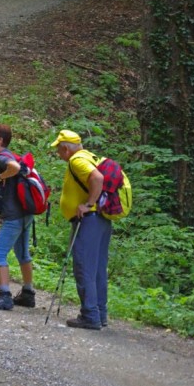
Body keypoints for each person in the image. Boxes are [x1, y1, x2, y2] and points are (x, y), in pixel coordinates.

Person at [52, 129, 110, 330]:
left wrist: (88, 204)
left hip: (88, 220)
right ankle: (99, 313)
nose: (59, 155)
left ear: (66, 149)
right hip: (100, 219)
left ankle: (90, 315)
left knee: (84, 266)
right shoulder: (89, 156)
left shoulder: (77, 161)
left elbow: (97, 178)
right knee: (97, 269)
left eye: (59, 150)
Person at [0, 124, 37, 310]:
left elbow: (13, 167)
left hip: (14, 215)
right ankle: (28, 293)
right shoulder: (10, 155)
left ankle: (4, 294)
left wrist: (0, 177)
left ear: (0, 140)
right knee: (22, 253)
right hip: (25, 213)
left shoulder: (3, 157)